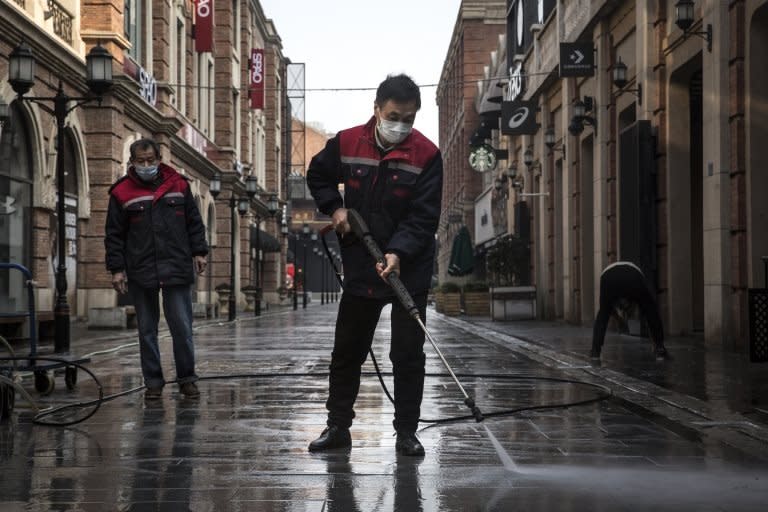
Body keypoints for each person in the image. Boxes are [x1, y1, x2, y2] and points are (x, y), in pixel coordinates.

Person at [306, 74, 443, 456]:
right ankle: (338, 427)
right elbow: (317, 176)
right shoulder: (347, 142)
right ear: (377, 109)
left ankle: (406, 432)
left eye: (409, 118)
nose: (401, 125)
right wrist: (335, 208)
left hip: (408, 270)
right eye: (394, 115)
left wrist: (398, 252)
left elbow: (423, 216)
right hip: (361, 264)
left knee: (407, 353)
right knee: (347, 349)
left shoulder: (427, 155)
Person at [104, 138, 208, 399]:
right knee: (147, 330)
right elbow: (114, 235)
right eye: (141, 161)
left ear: (159, 160)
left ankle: (187, 379)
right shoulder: (121, 192)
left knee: (182, 328)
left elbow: (195, 223)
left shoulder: (179, 185)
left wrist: (199, 252)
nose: (147, 165)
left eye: (151, 160)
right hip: (141, 269)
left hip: (176, 265)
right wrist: (117, 269)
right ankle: (153, 383)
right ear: (132, 162)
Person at [590, 261, 669, 360]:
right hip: (633, 276)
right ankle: (660, 348)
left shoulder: (614, 302)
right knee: (651, 310)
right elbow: (650, 313)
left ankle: (595, 352)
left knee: (603, 315)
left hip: (608, 278)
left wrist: (620, 320)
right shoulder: (638, 286)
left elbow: (608, 313)